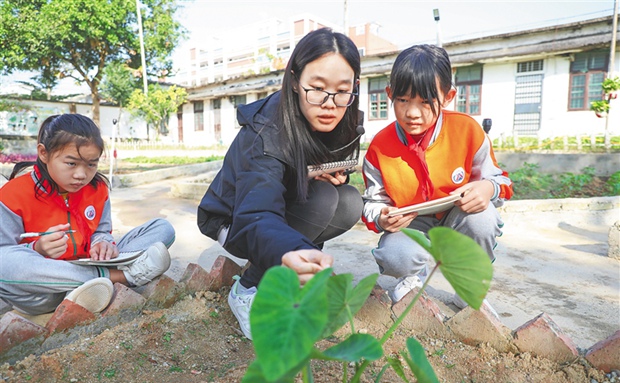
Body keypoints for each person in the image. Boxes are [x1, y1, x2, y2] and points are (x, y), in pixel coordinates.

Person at [197, 28, 364, 339]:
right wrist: (291, 249)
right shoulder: (266, 130)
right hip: (236, 218)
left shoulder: (343, 116)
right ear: (294, 81)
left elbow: (303, 172)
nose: (330, 103)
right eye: (316, 88)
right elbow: (256, 210)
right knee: (324, 200)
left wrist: (331, 173)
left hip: (282, 207)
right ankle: (248, 289)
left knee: (349, 200)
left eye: (343, 91)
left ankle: (290, 281)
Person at [361, 44, 513, 306]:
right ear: (389, 94)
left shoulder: (467, 131)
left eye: (426, 102)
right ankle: (411, 278)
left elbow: (502, 182)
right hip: (411, 224)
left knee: (483, 218)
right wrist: (382, 219)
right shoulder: (380, 146)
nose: (412, 113)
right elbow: (373, 203)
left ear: (448, 96)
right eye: (403, 100)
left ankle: (468, 284)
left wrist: (487, 189)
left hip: (458, 216)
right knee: (395, 255)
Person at [0, 114, 175, 316]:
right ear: (43, 153)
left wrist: (102, 242)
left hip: (90, 264)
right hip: (46, 290)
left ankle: (95, 286)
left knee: (162, 228)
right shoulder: (12, 195)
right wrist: (37, 247)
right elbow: (6, 251)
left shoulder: (97, 188)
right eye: (72, 163)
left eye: (91, 164)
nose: (81, 175)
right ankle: (121, 278)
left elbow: (102, 230)